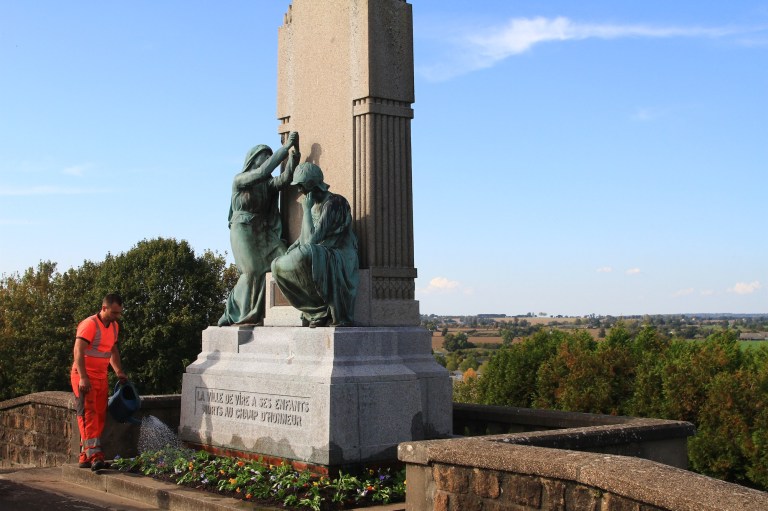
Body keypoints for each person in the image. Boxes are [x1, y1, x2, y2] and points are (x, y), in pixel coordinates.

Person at [218, 132, 301, 326]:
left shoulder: (266, 184)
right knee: (252, 270)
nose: (268, 158)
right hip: (243, 229)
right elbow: (263, 171)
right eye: (265, 155)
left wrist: (294, 157)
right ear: (254, 159)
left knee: (282, 258)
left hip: (264, 231)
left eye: (269, 155)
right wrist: (286, 147)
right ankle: (235, 311)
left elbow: (285, 179)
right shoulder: (240, 179)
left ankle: (276, 309)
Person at [271, 162, 359, 327]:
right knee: (277, 265)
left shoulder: (335, 203)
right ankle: (314, 310)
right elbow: (303, 238)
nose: (299, 191)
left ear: (312, 185)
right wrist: (292, 247)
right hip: (317, 251)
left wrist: (306, 211)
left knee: (304, 254)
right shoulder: (313, 206)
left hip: (338, 254)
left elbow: (311, 240)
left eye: (301, 186)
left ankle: (324, 310)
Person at [71, 293, 127, 470]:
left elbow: (112, 351)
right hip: (84, 376)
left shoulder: (114, 327)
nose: (117, 316)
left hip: (101, 376)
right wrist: (83, 377)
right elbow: (78, 351)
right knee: (89, 416)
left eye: (119, 313)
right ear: (104, 308)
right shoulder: (89, 325)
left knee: (100, 415)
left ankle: (85, 457)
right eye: (114, 312)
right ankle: (95, 456)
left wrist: (118, 371)